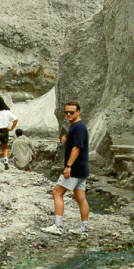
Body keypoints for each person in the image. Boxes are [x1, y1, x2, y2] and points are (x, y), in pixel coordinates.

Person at [42, 101, 89, 236]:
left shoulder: (78, 127)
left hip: (74, 168)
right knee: (80, 197)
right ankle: (83, 229)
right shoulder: (76, 126)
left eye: (71, 112)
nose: (68, 114)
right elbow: (75, 142)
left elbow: (77, 147)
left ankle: (58, 226)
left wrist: (68, 166)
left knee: (57, 193)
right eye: (66, 112)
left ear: (78, 112)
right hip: (82, 168)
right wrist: (66, 140)